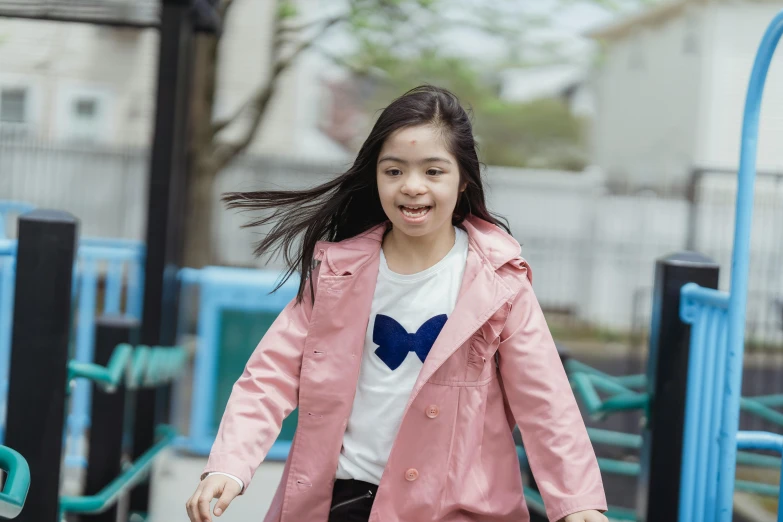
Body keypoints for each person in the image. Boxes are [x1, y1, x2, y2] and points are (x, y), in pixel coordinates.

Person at [185, 85, 607, 522]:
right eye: (394, 171)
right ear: (376, 178)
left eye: (433, 171)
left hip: (455, 509)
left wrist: (578, 503)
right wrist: (230, 463)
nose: (412, 187)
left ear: (463, 180)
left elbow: (545, 402)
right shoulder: (337, 274)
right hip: (345, 500)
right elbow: (269, 376)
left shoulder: (500, 283)